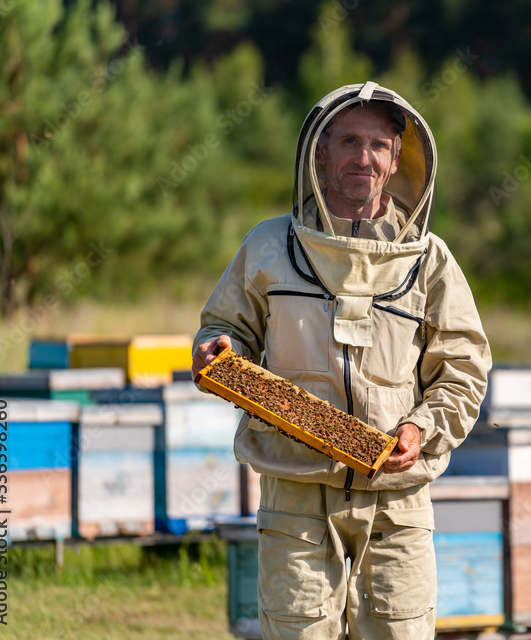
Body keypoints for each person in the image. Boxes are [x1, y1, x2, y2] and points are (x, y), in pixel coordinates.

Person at [192, 82, 491, 639]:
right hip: (296, 488)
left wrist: (420, 429)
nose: (363, 157)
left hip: (397, 500)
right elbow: (224, 329)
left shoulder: (430, 261)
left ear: (397, 158)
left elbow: (463, 369)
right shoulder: (267, 245)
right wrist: (217, 351)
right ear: (320, 152)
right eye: (349, 141)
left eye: (378, 144)